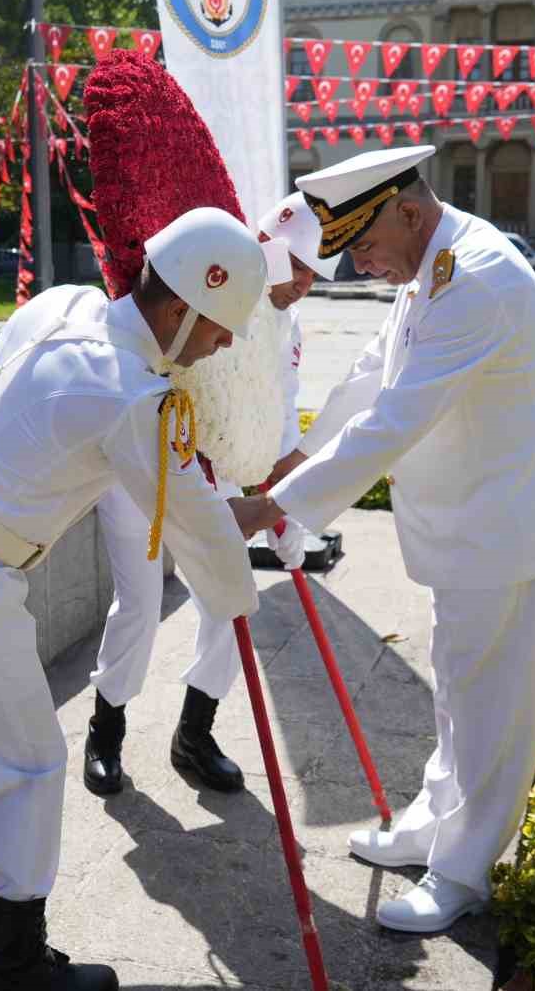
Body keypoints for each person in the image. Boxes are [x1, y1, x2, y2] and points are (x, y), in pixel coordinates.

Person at [0, 206, 278, 991]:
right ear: (179, 308)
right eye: (219, 325)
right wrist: (256, 541)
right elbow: (202, 534)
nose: (227, 343)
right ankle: (13, 966)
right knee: (31, 763)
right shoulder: (133, 398)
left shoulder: (62, 303)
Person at [232, 145, 535, 934]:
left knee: (493, 704)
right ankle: (435, 825)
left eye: (364, 248)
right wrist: (295, 458)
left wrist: (274, 509)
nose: (361, 267)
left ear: (406, 210)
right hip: (475, 522)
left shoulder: (474, 279)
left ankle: (464, 872)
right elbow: (372, 376)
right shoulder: (431, 263)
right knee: (458, 686)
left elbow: (396, 421)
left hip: (511, 527)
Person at [83, 192, 339, 797]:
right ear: (263, 248)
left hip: (214, 467)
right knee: (140, 605)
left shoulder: (289, 324)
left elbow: (277, 405)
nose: (302, 283)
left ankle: (195, 732)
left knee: (231, 600)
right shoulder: (215, 283)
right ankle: (105, 729)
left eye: (313, 273)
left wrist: (280, 489)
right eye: (294, 265)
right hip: (142, 452)